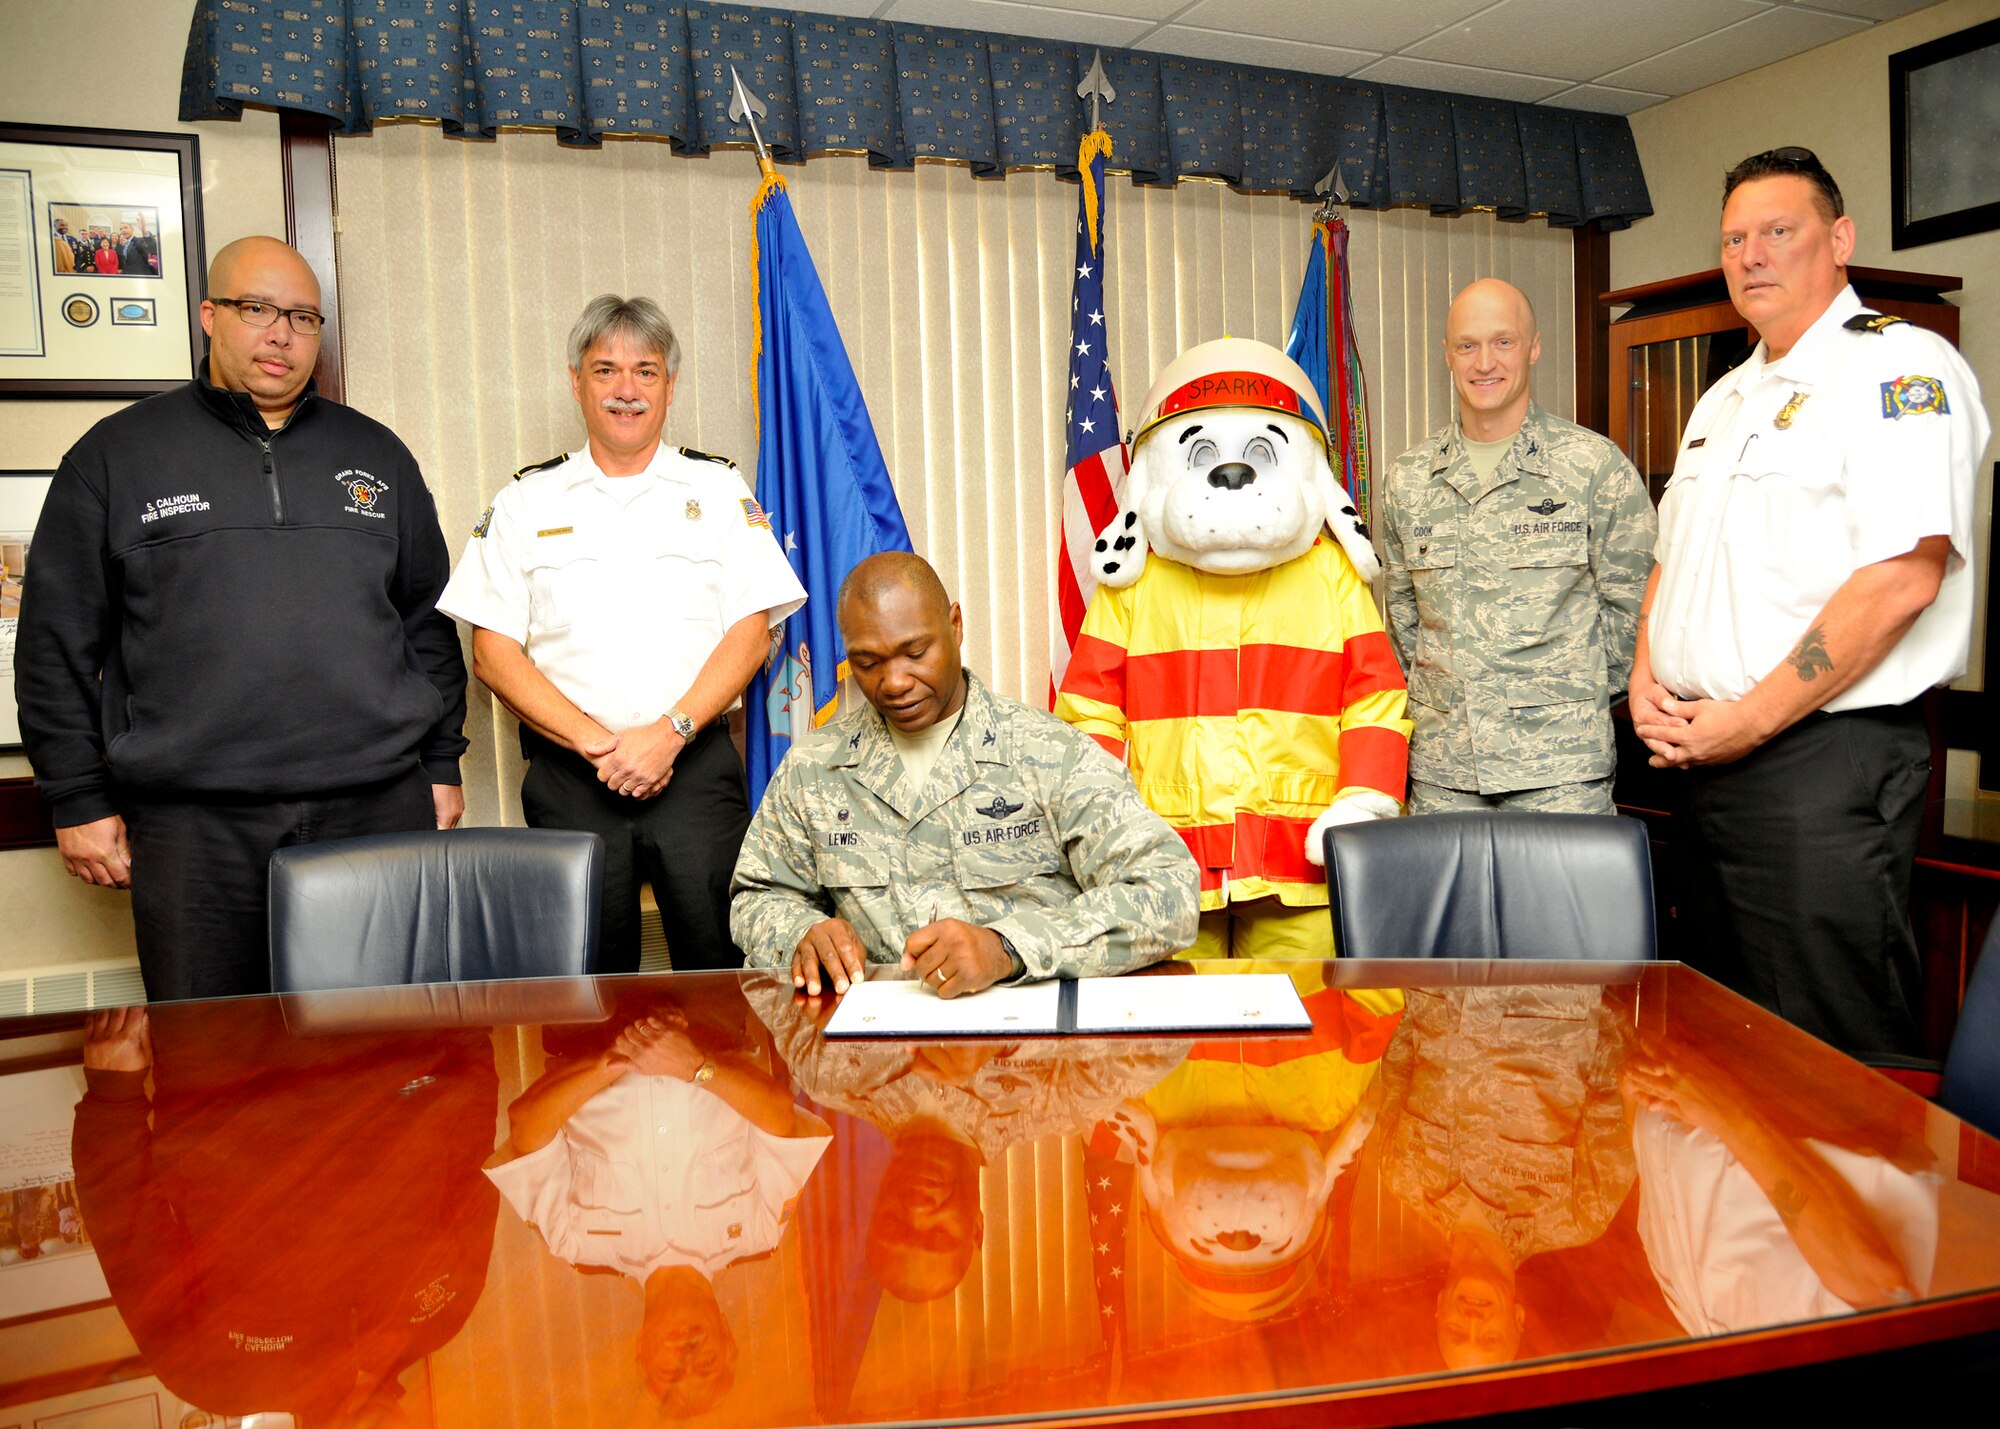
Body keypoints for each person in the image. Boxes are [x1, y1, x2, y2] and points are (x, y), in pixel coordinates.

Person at [15, 235, 468, 1002]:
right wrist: (78, 797)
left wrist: (443, 762)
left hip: (376, 806)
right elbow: (55, 645)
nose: (281, 333)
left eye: (303, 317)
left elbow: (426, 622)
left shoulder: (377, 453)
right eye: (257, 308)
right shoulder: (116, 456)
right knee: (212, 1068)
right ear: (208, 315)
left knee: (387, 1059)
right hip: (195, 826)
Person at [1631, 148, 1991, 1057]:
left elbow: (1904, 575)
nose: (1750, 255)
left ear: (1839, 240)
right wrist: (1647, 675)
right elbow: (1674, 561)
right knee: (1717, 1048)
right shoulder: (1725, 395)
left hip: (1820, 762)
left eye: (1777, 232)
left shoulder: (1899, 371)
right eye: (1734, 239)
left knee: (1824, 1054)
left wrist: (1747, 720)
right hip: (1706, 758)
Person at [438, 294, 806, 973]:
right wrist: (600, 744)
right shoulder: (525, 502)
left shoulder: (720, 489)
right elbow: (491, 653)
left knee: (724, 975)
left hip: (693, 770)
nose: (626, 390)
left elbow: (753, 634)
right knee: (582, 991)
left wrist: (667, 735)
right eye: (606, 370)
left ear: (671, 385)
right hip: (573, 775)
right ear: (575, 381)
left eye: (646, 370)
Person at [731, 551, 1200, 998]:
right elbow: (757, 896)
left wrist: (1007, 948)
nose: (893, 682)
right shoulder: (815, 767)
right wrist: (799, 933)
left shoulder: (1048, 752)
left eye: (915, 652)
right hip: (877, 1057)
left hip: (1027, 1057)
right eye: (868, 663)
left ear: (955, 626)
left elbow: (1168, 893)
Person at [1380, 279, 1656, 816]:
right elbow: (1403, 623)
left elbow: (1636, 614)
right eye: (1467, 345)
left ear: (1534, 346)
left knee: (1561, 905)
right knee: (1449, 905)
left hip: (1560, 770)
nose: (1485, 362)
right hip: (1444, 771)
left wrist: (1559, 700)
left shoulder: (1592, 467)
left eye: (1503, 342)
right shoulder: (1408, 479)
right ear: (1448, 354)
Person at [486, 988, 830, 1414]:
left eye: (671, 1370)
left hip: (586, 1028)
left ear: (641, 1352)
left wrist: (618, 1058)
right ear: (727, 1336)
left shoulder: (574, 1243)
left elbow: (525, 1124)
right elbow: (779, 1114)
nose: (687, 1353)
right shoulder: (760, 1230)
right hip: (711, 1019)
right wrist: (693, 1066)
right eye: (706, 1362)